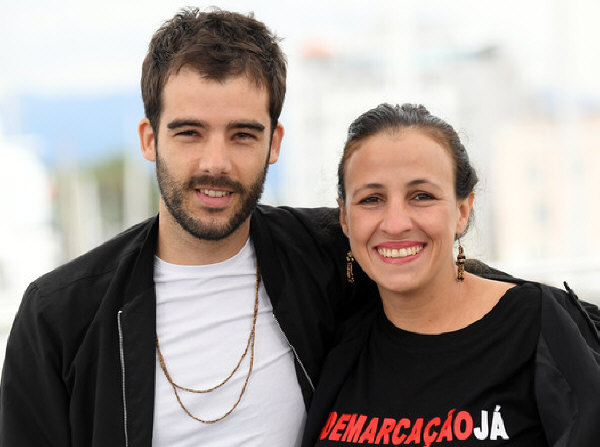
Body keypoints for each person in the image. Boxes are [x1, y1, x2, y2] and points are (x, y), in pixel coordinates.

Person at [0, 8, 378, 446]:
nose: (215, 163)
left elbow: (442, 282)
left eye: (242, 135)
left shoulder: (331, 254)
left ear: (274, 143)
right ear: (149, 139)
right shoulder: (61, 315)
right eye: (189, 133)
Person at [302, 103, 600, 446]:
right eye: (371, 199)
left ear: (462, 211)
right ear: (344, 219)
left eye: (422, 196)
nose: (396, 223)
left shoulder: (538, 327)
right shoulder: (339, 344)